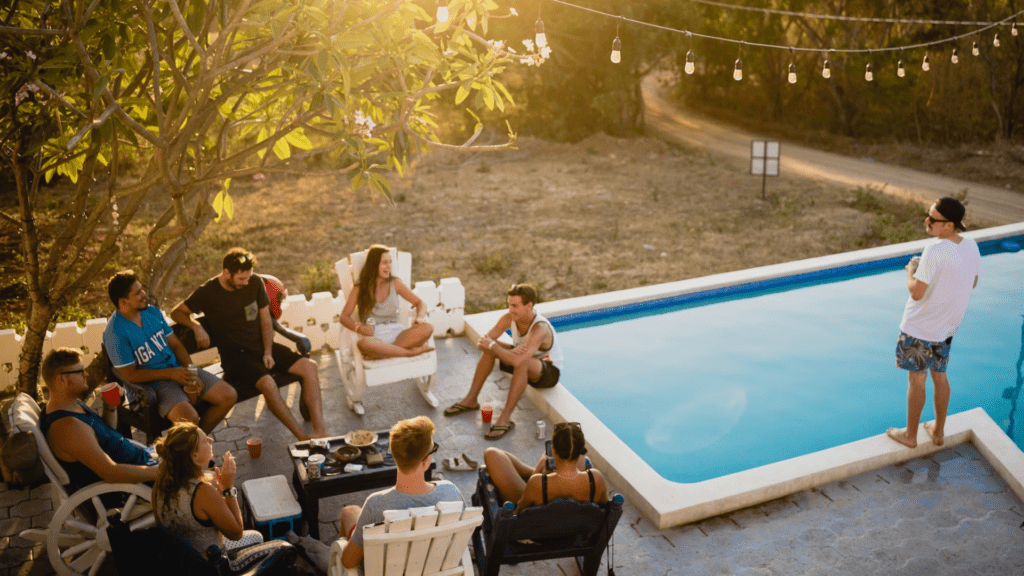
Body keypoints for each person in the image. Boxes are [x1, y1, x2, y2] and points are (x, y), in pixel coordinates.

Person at [170, 248, 328, 440]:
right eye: (241, 279)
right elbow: (176, 312)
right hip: (236, 358)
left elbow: (266, 320)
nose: (246, 282)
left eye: (248, 277)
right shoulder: (208, 291)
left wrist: (268, 352)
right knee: (269, 384)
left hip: (261, 348)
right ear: (226, 273)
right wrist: (195, 326)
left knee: (310, 367)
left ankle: (320, 431)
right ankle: (302, 437)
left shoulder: (254, 282)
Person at [886, 197, 982, 449]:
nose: (927, 221)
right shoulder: (971, 245)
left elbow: (916, 292)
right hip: (946, 329)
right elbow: (972, 281)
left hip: (919, 328)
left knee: (917, 380)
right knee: (940, 376)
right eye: (928, 215)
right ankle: (938, 432)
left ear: (949, 225)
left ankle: (910, 435)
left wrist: (911, 271)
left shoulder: (934, 251)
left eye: (933, 219)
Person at [103, 271, 237, 433]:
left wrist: (192, 372)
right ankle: (191, 446)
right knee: (190, 419)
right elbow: (129, 375)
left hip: (179, 370)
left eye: (142, 289)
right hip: (154, 386)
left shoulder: (152, 312)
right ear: (124, 301)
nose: (144, 294)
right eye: (138, 293)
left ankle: (194, 444)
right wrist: (171, 374)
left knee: (228, 395)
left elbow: (176, 346)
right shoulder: (115, 333)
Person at [338, 416, 462, 570]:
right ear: (425, 461)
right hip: (435, 567)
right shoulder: (451, 492)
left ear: (395, 456)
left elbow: (348, 562)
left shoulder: (376, 504)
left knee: (349, 512)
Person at [444, 283, 562, 440]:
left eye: (515, 306)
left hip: (547, 372)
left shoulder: (539, 328)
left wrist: (496, 347)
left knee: (518, 360)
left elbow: (519, 359)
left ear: (529, 305)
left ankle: (505, 419)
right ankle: (470, 400)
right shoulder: (509, 318)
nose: (510, 310)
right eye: (509, 305)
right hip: (521, 359)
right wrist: (503, 349)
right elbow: (482, 342)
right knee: (490, 350)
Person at [40, 347, 159, 489]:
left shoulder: (72, 404)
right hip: (137, 485)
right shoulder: (67, 426)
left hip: (144, 461)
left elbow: (102, 436)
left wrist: (110, 407)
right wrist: (163, 471)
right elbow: (110, 472)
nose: (86, 374)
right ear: (62, 379)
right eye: (79, 372)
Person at [152, 422, 263, 558]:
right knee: (258, 538)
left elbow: (161, 526)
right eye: (205, 441)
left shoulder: (160, 482)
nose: (210, 440)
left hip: (177, 562)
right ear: (194, 456)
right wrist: (228, 488)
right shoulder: (203, 492)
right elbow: (236, 533)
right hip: (207, 566)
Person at [483, 421, 607, 512]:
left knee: (492, 453)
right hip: (576, 532)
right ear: (581, 452)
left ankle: (540, 470)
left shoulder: (537, 483)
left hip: (540, 535)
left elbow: (519, 515)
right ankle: (548, 470)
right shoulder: (596, 478)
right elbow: (603, 508)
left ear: (553, 451)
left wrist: (537, 472)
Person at [338, 244, 434, 359]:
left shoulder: (395, 283)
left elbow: (420, 303)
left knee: (428, 328)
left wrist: (419, 318)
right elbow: (344, 317)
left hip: (398, 334)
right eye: (384, 263)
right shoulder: (360, 287)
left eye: (390, 262)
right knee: (362, 343)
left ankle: (381, 354)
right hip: (374, 337)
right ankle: (409, 353)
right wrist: (358, 328)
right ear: (374, 265)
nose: (389, 267)